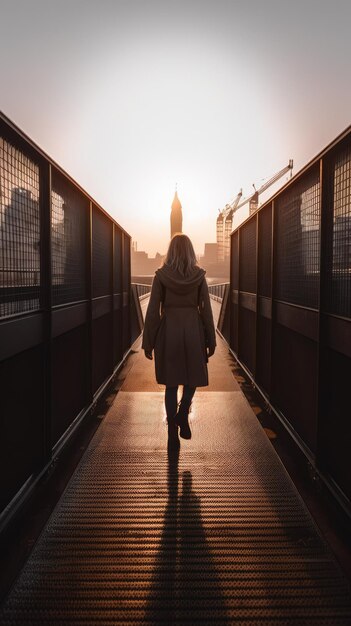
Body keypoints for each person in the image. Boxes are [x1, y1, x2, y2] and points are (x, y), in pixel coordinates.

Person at [142, 233, 216, 443]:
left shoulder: (161, 276)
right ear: (191, 252)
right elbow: (207, 312)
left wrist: (148, 342)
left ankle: (172, 432)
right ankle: (183, 412)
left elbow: (152, 312)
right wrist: (211, 339)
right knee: (192, 377)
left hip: (169, 331)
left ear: (170, 251)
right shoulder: (199, 277)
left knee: (171, 383)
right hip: (193, 330)